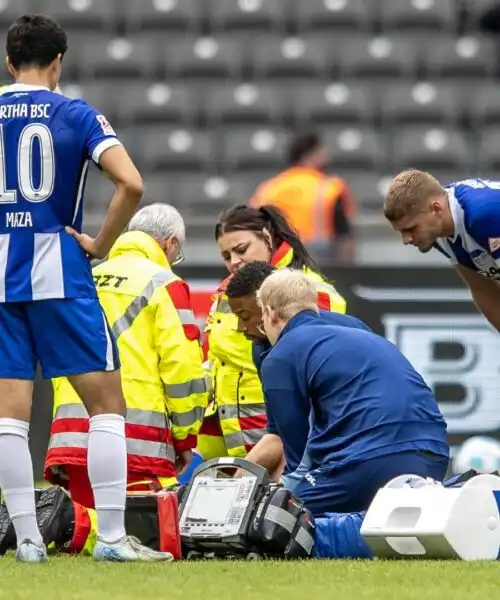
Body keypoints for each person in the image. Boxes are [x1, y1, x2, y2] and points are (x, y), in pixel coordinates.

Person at [0, 15, 171, 563]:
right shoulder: (76, 113)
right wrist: (100, 242)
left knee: (10, 413)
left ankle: (27, 541)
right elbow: (132, 182)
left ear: (9, 62)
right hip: (60, 275)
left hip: (2, 275)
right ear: (58, 63)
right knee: (106, 406)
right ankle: (115, 539)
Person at [254, 269, 449, 517]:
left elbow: (292, 446)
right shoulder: (358, 329)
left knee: (276, 517)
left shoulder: (282, 353)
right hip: (435, 455)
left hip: (370, 462)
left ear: (270, 312)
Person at [198, 204, 347, 463]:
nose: (234, 262)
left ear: (267, 237)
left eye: (241, 250)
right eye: (226, 255)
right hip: (226, 439)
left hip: (278, 438)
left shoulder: (309, 290)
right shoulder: (226, 293)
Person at [225, 260, 372, 484]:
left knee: (288, 498)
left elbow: (297, 452)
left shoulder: (285, 353)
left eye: (245, 316)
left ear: (267, 307)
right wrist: (235, 485)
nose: (239, 328)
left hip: (360, 447)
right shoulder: (263, 348)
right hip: (340, 451)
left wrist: (294, 489)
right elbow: (277, 436)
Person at [384, 170, 500, 332]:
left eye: (411, 229)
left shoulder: (483, 216)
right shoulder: (438, 228)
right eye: (401, 232)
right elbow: (482, 288)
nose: (406, 240)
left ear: (436, 209)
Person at [248, 132, 356, 264]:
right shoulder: (328, 188)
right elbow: (344, 237)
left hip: (274, 264)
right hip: (318, 263)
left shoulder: (267, 188)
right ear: (310, 155)